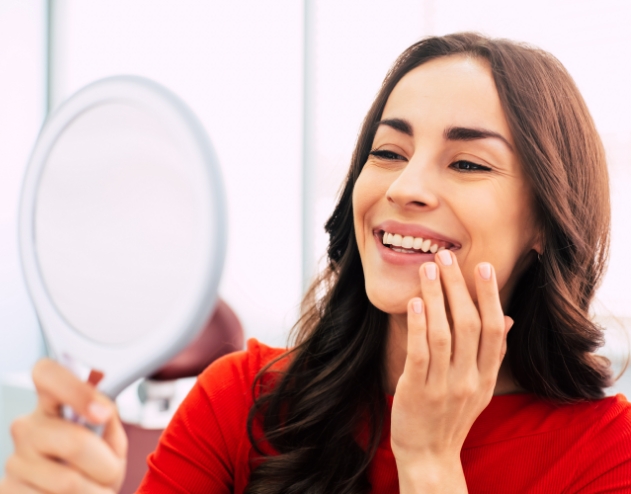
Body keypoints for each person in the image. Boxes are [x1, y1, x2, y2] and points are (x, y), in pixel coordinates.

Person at [2, 32, 630, 494]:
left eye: (467, 163)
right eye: (387, 152)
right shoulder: (239, 402)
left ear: (546, 224)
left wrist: (431, 463)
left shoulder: (609, 454)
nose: (405, 186)